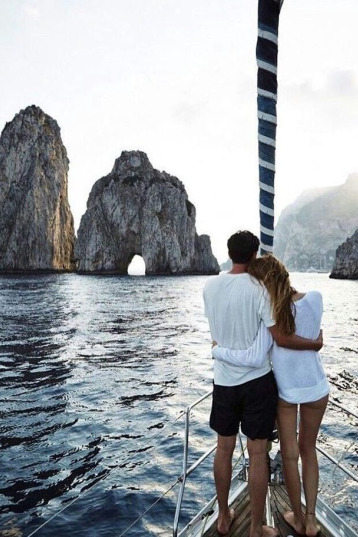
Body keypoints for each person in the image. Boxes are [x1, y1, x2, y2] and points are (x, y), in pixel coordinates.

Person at [203, 231, 322, 537]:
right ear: (255, 254)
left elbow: (217, 333)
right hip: (256, 384)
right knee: (258, 454)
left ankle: (224, 517)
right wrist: (314, 344)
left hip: (224, 382)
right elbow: (276, 340)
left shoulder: (209, 286)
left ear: (229, 253)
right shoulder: (259, 289)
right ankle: (256, 527)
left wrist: (218, 351)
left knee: (223, 448)